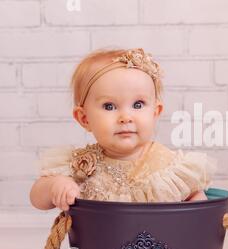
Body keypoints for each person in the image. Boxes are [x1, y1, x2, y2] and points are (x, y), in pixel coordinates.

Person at [30, 48, 215, 211]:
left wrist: (199, 213)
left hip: (159, 247)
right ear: (84, 118)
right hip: (101, 246)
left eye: (138, 104)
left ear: (155, 112)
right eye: (109, 106)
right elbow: (37, 198)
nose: (126, 117)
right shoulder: (81, 164)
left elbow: (196, 203)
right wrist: (56, 186)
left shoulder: (169, 166)